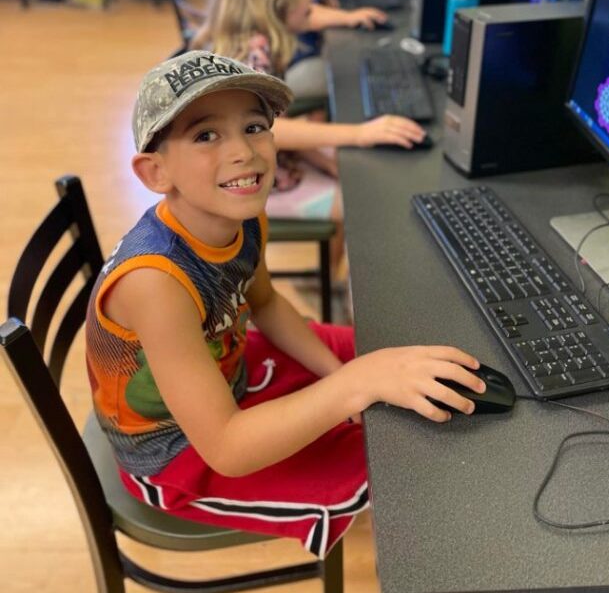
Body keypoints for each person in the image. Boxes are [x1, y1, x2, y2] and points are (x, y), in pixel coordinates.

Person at [84, 50, 486, 557]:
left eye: (254, 127)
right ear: (155, 172)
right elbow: (227, 447)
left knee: (394, 354)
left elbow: (268, 305)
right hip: (179, 457)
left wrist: (338, 371)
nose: (243, 153)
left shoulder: (242, 213)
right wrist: (352, 385)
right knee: (400, 453)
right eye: (206, 135)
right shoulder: (155, 284)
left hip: (232, 370)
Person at [189, 0, 425, 232]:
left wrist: (324, 159)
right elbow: (275, 132)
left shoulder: (253, 41)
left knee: (358, 173)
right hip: (256, 184)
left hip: (267, 164)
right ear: (276, 2)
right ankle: (345, 274)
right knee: (370, 205)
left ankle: (341, 273)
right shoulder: (252, 55)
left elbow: (267, 129)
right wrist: (360, 134)